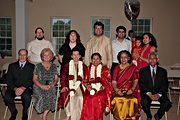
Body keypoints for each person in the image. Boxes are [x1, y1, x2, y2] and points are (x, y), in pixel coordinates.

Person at [138, 52, 172, 120]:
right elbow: (142, 84)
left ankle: (158, 115)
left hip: (159, 92)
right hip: (147, 93)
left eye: (154, 58)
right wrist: (149, 94)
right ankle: (149, 115)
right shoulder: (142, 70)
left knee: (167, 103)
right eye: (150, 58)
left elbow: (165, 84)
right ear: (148, 60)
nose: (152, 60)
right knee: (144, 102)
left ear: (157, 60)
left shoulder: (163, 71)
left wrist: (159, 95)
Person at [4, 49, 35, 120]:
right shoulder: (12, 66)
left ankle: (24, 112)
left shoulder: (32, 66)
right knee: (7, 96)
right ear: (18, 56)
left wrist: (23, 88)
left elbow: (32, 80)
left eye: (24, 55)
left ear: (27, 56)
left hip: (26, 87)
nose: (22, 56)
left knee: (27, 97)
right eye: (20, 54)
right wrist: (15, 88)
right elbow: (8, 80)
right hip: (13, 87)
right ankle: (14, 112)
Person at [81, 53, 112, 120]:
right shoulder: (89, 68)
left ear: (100, 60)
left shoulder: (105, 69)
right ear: (91, 60)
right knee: (88, 98)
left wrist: (103, 86)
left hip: (102, 90)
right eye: (94, 59)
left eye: (97, 59)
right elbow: (85, 80)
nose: (95, 61)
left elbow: (109, 81)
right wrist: (88, 86)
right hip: (90, 88)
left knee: (96, 98)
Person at [58, 48, 87, 120]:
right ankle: (68, 114)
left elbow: (86, 77)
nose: (76, 56)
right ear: (71, 56)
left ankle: (80, 115)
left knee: (81, 97)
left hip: (81, 85)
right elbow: (63, 77)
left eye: (77, 55)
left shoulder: (84, 66)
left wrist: (86, 84)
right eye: (74, 55)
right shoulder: (67, 65)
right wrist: (64, 86)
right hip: (69, 85)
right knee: (67, 95)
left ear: (80, 56)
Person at [111, 50, 140, 120]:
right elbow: (114, 82)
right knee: (117, 100)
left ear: (129, 58)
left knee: (132, 100)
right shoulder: (116, 68)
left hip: (130, 89)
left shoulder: (133, 67)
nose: (123, 59)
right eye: (121, 57)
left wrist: (132, 89)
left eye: (125, 57)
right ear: (119, 58)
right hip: (118, 89)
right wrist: (117, 90)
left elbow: (136, 80)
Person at [32, 48, 58, 120]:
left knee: (52, 95)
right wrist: (41, 86)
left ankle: (44, 115)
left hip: (50, 85)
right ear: (42, 56)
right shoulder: (37, 66)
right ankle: (40, 112)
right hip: (38, 85)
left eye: (48, 55)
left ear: (51, 57)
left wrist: (52, 84)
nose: (46, 57)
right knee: (41, 96)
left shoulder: (54, 66)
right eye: (45, 55)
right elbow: (34, 79)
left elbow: (56, 79)